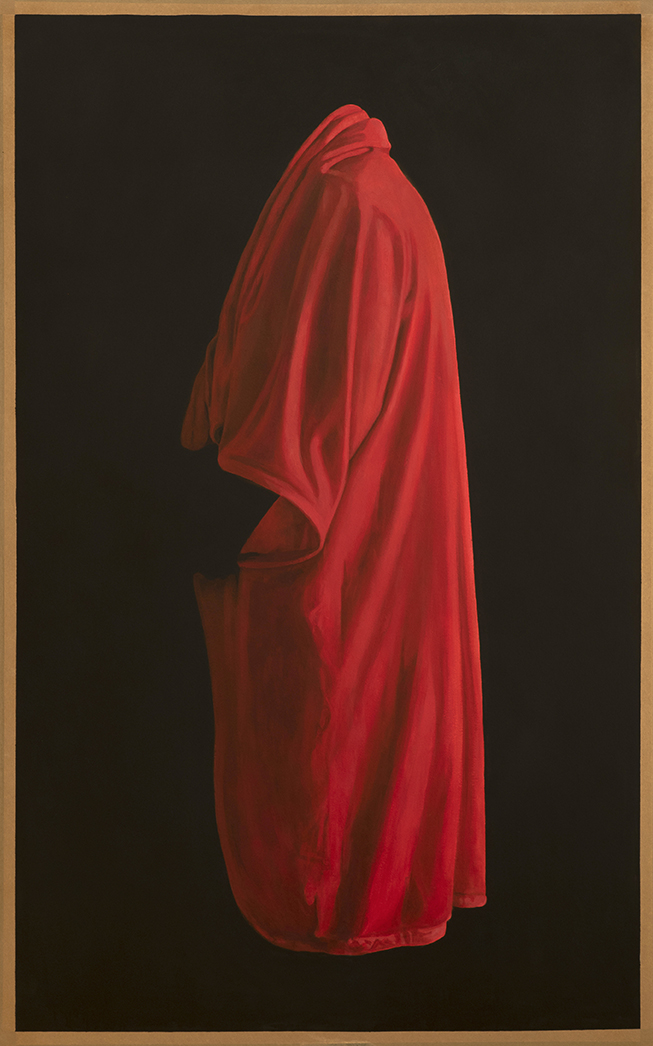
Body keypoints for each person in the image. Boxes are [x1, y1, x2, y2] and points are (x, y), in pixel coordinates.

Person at [182, 104, 486, 954]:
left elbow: (294, 448)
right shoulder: (382, 194)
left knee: (329, 839)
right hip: (388, 560)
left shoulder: (349, 202)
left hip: (352, 573)